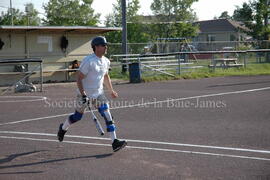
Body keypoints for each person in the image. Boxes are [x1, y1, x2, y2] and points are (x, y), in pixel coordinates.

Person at [57, 36, 127, 152]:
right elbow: (79, 78)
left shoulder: (106, 61)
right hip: (83, 94)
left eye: (106, 45)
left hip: (99, 94)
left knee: (107, 115)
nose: (106, 47)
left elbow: (105, 76)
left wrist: (111, 90)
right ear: (96, 47)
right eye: (103, 45)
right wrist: (83, 94)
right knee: (77, 117)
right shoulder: (89, 61)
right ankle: (63, 128)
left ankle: (114, 142)